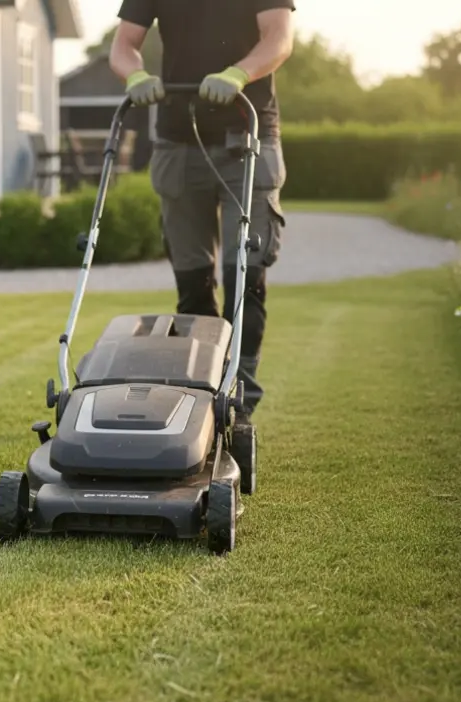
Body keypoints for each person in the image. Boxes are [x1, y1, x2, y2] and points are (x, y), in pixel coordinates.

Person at [109, 0, 294, 426]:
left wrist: (239, 73)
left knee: (244, 275)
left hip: (246, 139)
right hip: (176, 141)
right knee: (193, 282)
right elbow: (124, 45)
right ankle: (202, 391)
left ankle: (240, 399)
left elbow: (279, 39)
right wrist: (134, 74)